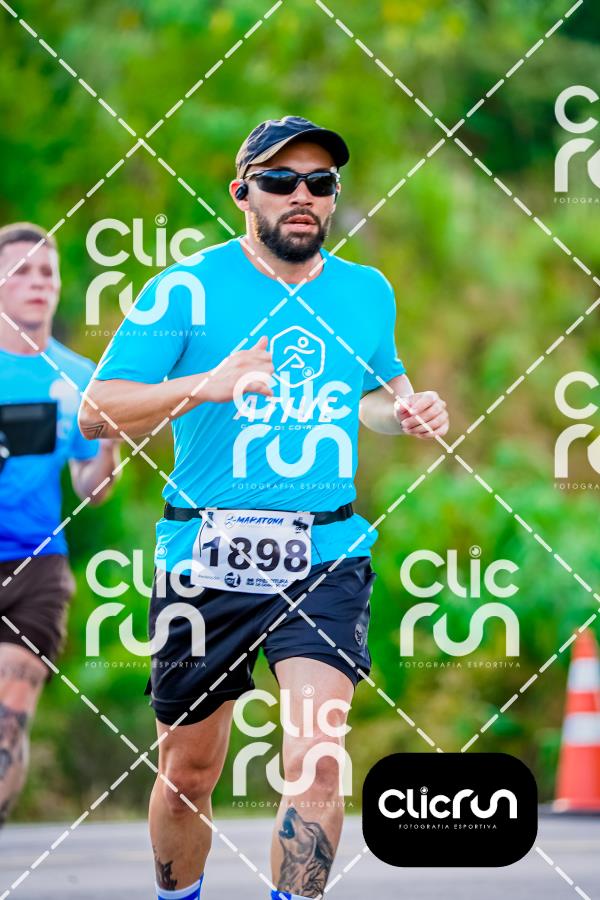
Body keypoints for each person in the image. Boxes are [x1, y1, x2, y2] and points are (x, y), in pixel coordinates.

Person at [79, 116, 449, 900]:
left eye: (319, 182)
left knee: (318, 760)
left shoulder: (365, 291)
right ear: (243, 193)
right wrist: (203, 385)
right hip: (204, 558)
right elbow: (96, 412)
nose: (302, 195)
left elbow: (374, 394)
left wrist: (406, 411)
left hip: (325, 554)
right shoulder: (185, 289)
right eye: (281, 181)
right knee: (189, 771)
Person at [0, 223, 120, 825]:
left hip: (37, 565)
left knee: (8, 715)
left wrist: (110, 445)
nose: (37, 282)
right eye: (21, 271)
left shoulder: (79, 377)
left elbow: (91, 490)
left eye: (47, 272)